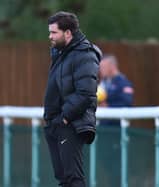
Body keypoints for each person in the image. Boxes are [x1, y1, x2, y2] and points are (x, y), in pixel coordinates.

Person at [43, 11, 102, 187]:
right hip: (56, 123)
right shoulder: (60, 53)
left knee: (73, 178)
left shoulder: (85, 54)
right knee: (63, 179)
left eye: (54, 32)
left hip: (70, 124)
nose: (50, 36)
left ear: (68, 33)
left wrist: (64, 118)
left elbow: (86, 93)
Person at [98, 54, 134, 126]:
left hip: (117, 127)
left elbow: (127, 103)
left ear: (112, 67)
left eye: (103, 67)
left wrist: (108, 106)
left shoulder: (123, 83)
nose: (100, 70)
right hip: (103, 125)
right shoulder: (103, 82)